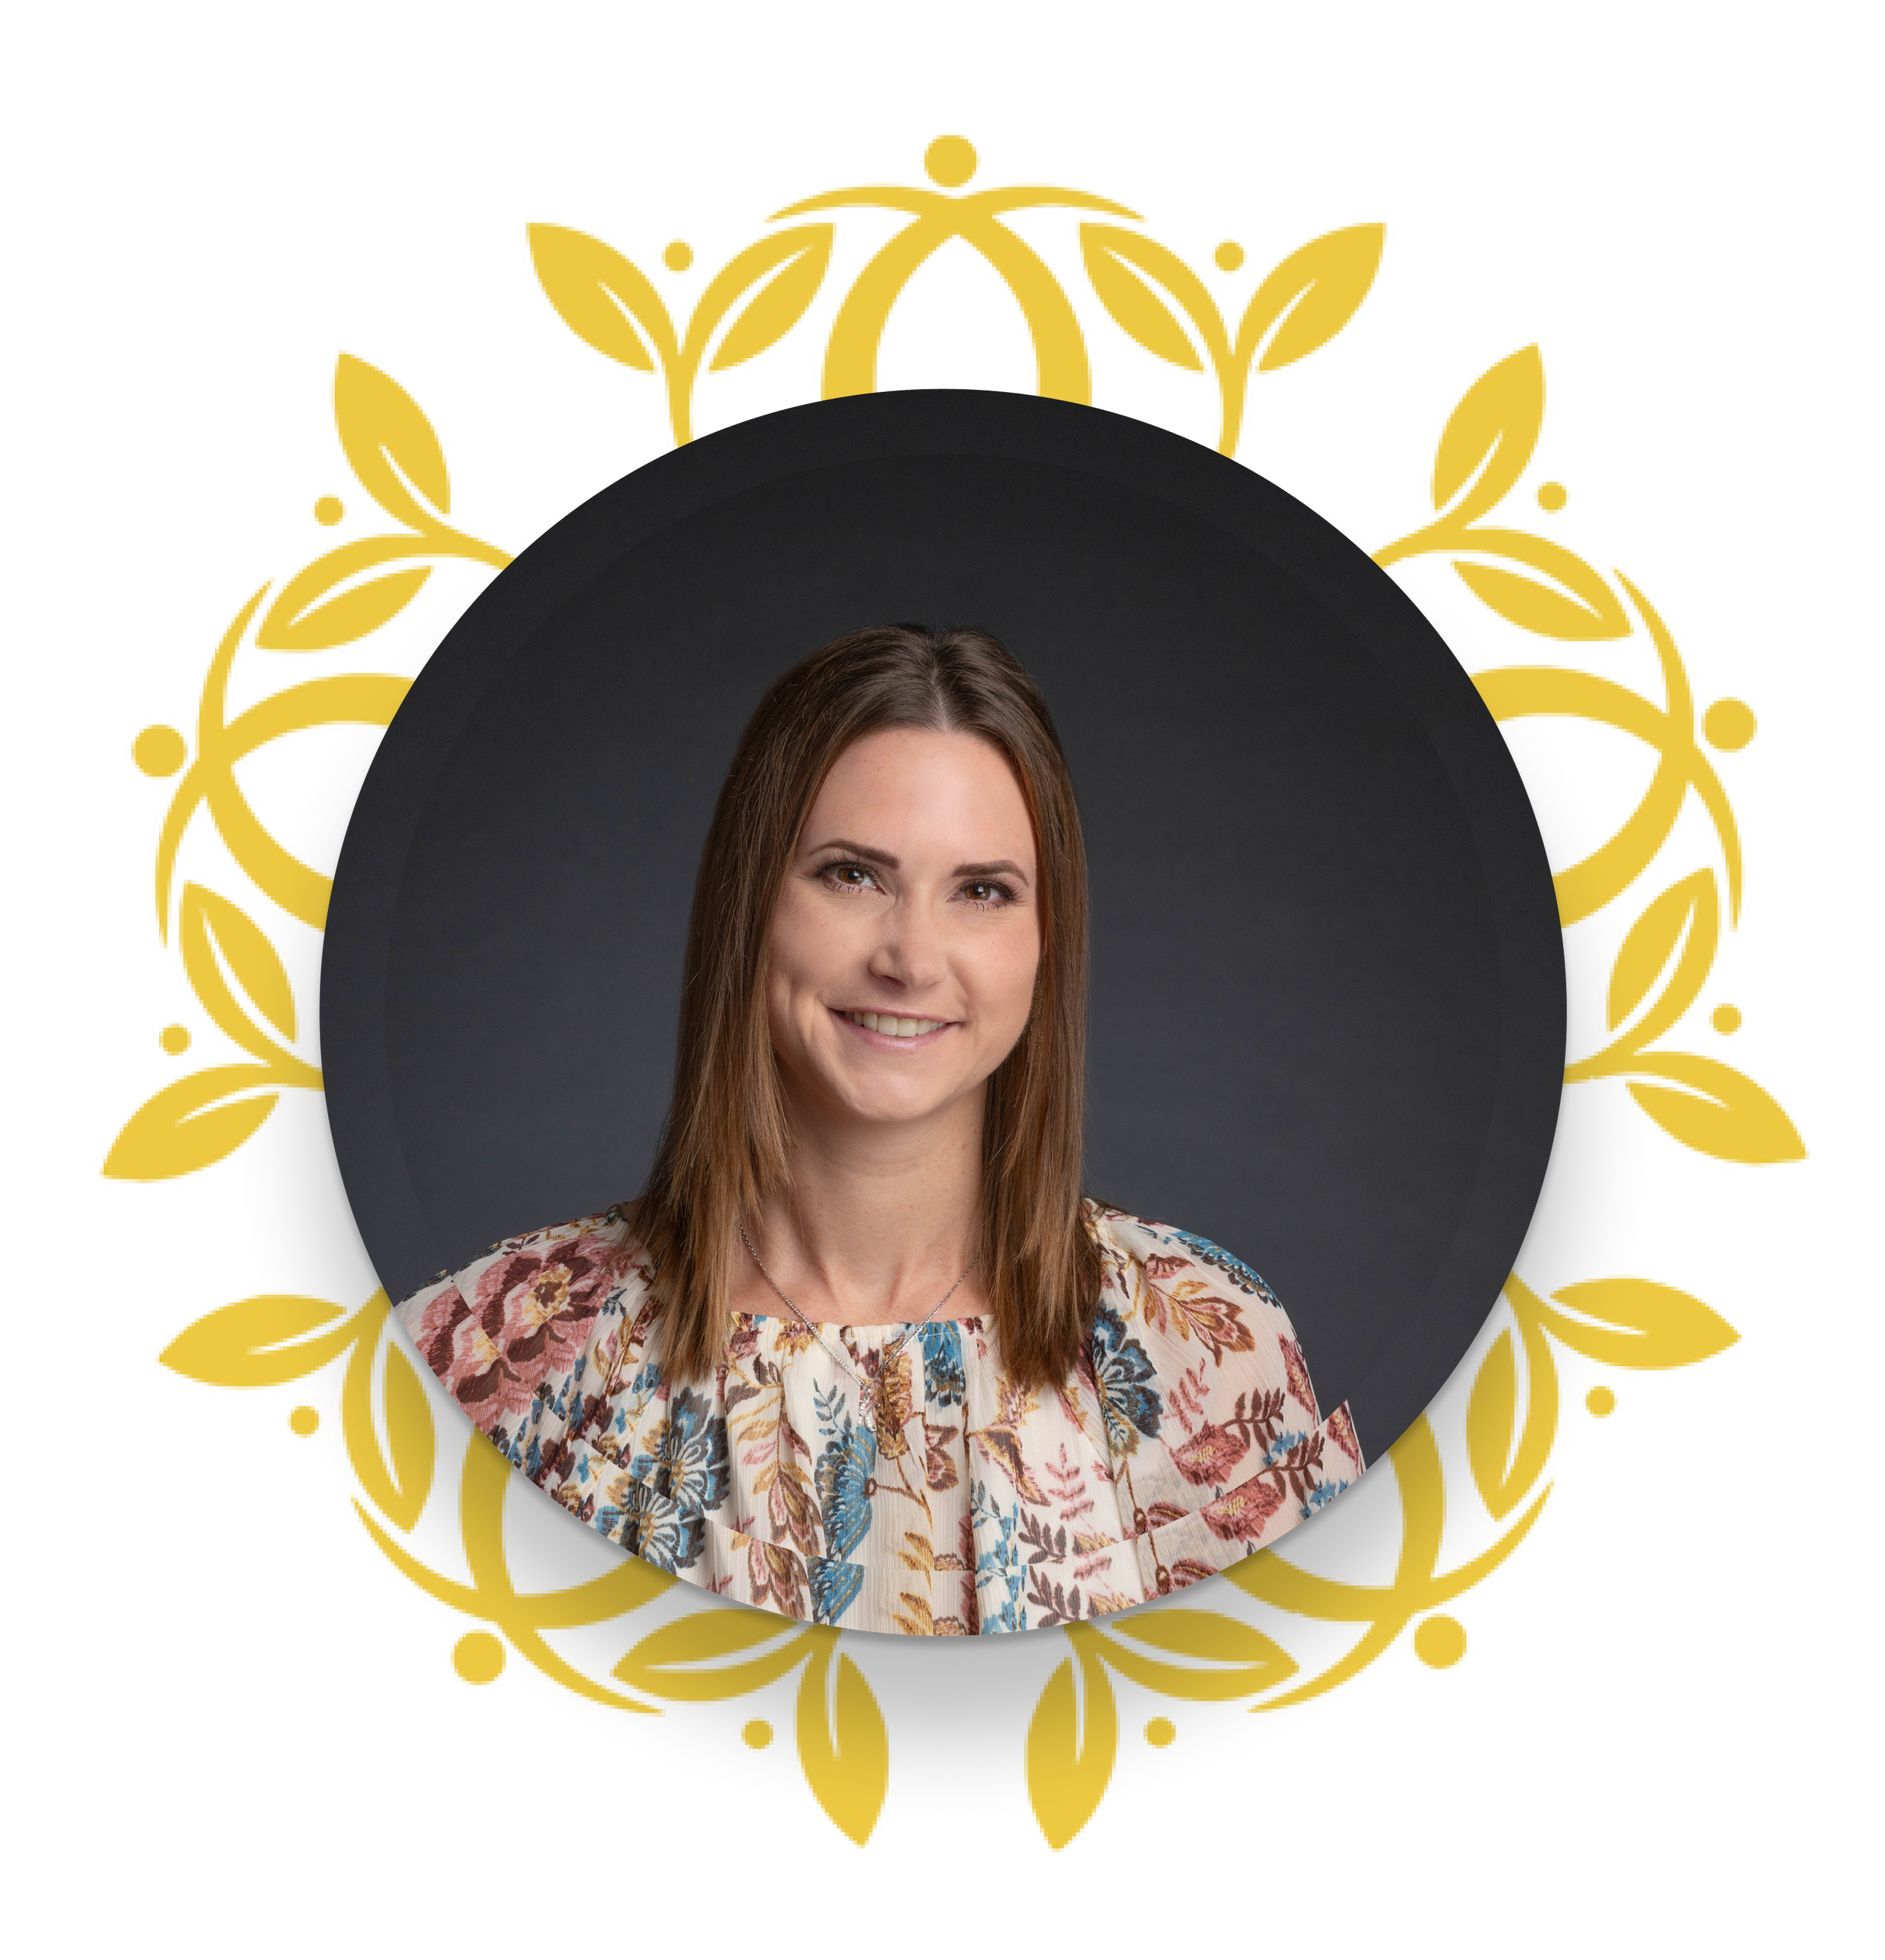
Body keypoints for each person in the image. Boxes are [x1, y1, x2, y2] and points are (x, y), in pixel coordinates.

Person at [394, 625, 1360, 1634]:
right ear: (751, 902)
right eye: (853, 874)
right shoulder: (500, 1352)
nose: (911, 957)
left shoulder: (1211, 1353)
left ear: (1045, 941)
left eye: (982, 891)